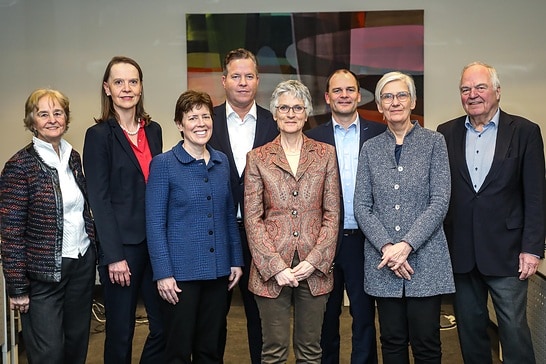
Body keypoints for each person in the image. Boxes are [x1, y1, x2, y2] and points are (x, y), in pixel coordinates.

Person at [437, 62, 545, 364]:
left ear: (497, 91)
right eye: (465, 89)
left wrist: (532, 249)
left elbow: (536, 195)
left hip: (508, 253)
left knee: (513, 329)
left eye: (480, 87)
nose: (473, 94)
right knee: (470, 331)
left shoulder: (525, 132)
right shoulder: (445, 133)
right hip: (461, 252)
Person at [354, 71, 455, 364]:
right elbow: (362, 205)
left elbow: (440, 202)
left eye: (401, 95)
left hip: (425, 262)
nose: (394, 102)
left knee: (426, 344)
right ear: (380, 105)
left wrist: (406, 245)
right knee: (392, 342)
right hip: (383, 263)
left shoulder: (434, 142)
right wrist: (388, 246)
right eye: (387, 96)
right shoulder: (370, 149)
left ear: (412, 101)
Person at [244, 79, 340, 363]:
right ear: (274, 113)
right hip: (271, 269)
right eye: (283, 108)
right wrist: (275, 267)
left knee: (310, 352)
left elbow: (332, 213)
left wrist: (314, 261)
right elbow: (252, 217)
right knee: (273, 351)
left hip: (315, 267)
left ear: (306, 113)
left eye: (298, 107)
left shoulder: (325, 154)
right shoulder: (257, 157)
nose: (290, 113)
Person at [145, 89, 244, 363]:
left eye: (205, 116)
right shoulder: (164, 164)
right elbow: (154, 223)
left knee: (210, 349)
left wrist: (235, 260)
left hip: (218, 272)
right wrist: (163, 273)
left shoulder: (222, 162)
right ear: (180, 124)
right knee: (178, 350)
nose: (201, 123)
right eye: (192, 117)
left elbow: (228, 216)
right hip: (180, 277)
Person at [0, 89, 96, 363]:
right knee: (48, 353)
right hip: (43, 275)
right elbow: (11, 232)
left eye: (58, 113)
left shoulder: (73, 157)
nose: (52, 119)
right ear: (32, 121)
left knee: (76, 346)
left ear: (66, 117)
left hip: (80, 265)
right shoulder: (19, 166)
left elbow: (82, 210)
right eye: (44, 114)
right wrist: (17, 286)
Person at [83, 56, 164, 364]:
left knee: (163, 326)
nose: (126, 88)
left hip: (155, 245)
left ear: (141, 88)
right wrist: (113, 255)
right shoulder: (99, 135)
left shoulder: (152, 130)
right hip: (122, 250)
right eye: (119, 82)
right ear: (107, 88)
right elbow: (99, 200)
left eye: (133, 81)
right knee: (121, 332)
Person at [306, 69, 385, 364]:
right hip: (325, 241)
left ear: (359, 95)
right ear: (327, 98)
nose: (344, 95)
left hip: (366, 240)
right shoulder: (312, 137)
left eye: (350, 90)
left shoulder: (379, 133)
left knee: (364, 317)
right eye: (337, 91)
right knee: (326, 318)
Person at [208, 47, 278, 363]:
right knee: (212, 319)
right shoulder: (204, 121)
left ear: (257, 81)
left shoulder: (273, 122)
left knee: (260, 317)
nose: (242, 82)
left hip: (261, 235)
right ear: (224, 81)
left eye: (249, 76)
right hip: (217, 234)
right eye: (236, 76)